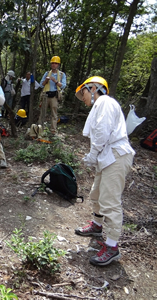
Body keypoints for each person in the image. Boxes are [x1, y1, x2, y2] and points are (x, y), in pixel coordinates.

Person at [74, 76, 135, 266]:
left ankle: (112, 246)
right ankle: (97, 226)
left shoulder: (105, 102)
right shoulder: (101, 104)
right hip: (108, 156)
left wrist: (93, 154)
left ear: (94, 88)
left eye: (83, 92)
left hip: (116, 155)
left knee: (110, 201)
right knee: (97, 193)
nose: (82, 98)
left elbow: (102, 130)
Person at [38, 56, 67, 134]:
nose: (54, 65)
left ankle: (53, 131)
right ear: (51, 64)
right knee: (42, 113)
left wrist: (55, 81)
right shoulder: (47, 73)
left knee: (54, 114)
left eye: (56, 63)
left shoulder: (61, 74)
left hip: (54, 96)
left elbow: (63, 85)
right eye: (53, 63)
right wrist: (46, 80)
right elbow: (41, 85)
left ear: (58, 65)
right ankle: (40, 130)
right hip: (45, 96)